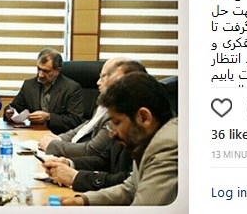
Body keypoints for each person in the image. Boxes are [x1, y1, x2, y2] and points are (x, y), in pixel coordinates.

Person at [61, 72, 177, 206]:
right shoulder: (146, 141)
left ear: (144, 117)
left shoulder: (166, 146)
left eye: (117, 122)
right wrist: (83, 200)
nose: (112, 133)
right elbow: (130, 190)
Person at [41, 60, 148, 192]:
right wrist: (70, 163)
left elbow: (128, 183)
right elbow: (105, 159)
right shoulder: (119, 111)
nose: (111, 132)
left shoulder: (153, 139)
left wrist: (76, 177)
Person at [38, 56, 129, 157]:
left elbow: (91, 150)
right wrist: (59, 138)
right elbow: (85, 126)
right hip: (74, 152)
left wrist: (53, 146)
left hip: (85, 158)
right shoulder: (103, 105)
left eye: (103, 77)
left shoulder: (117, 114)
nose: (98, 82)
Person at [3, 48, 84, 134]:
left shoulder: (71, 88)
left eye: (46, 71)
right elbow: (14, 107)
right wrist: (9, 112)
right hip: (34, 133)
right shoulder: (29, 85)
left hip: (60, 136)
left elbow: (75, 120)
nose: (40, 75)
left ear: (57, 71)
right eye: (39, 69)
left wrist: (49, 117)